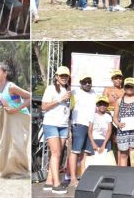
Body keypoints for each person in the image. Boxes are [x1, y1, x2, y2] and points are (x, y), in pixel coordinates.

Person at [0, 59, 31, 179]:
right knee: (7, 145)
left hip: (20, 117)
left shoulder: (11, 86)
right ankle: (9, 169)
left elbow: (30, 97)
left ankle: (20, 170)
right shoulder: (0, 88)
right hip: (10, 119)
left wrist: (16, 109)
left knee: (17, 145)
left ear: (5, 73)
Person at [41, 66, 71, 194]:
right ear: (57, 77)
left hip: (64, 125)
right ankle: (56, 184)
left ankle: (48, 182)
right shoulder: (51, 88)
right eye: (62, 75)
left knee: (59, 153)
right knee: (56, 153)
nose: (64, 78)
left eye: (66, 76)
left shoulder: (68, 90)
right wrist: (60, 99)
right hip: (51, 124)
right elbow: (44, 107)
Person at [68, 75, 97, 186]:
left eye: (89, 81)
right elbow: (68, 108)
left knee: (85, 152)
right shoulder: (74, 92)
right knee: (75, 151)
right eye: (85, 82)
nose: (87, 84)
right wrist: (69, 128)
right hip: (79, 124)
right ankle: (72, 179)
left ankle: (83, 176)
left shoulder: (94, 93)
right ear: (80, 83)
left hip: (91, 125)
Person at [113, 77, 134, 166]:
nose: (129, 89)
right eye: (127, 87)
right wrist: (118, 124)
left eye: (131, 87)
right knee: (123, 154)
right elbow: (115, 117)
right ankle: (124, 176)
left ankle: (133, 177)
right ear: (124, 87)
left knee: (133, 154)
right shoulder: (119, 101)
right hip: (122, 132)